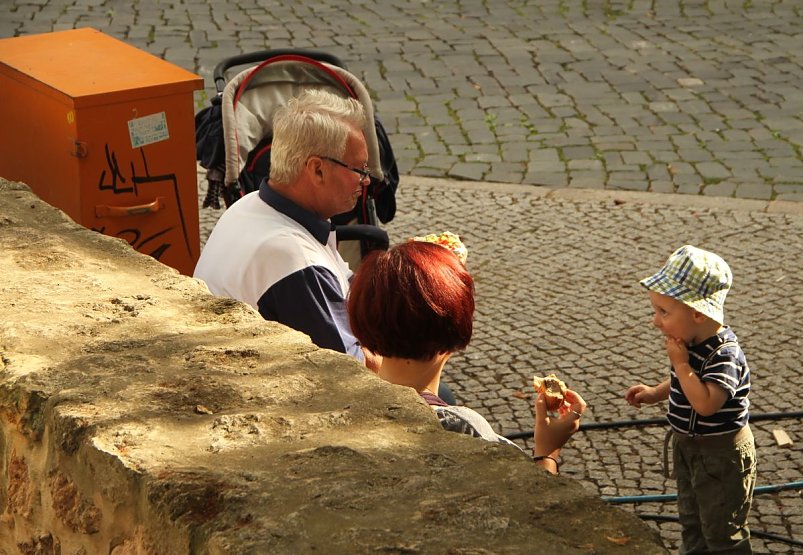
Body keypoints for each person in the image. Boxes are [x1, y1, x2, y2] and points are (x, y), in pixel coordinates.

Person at [347, 240, 586, 474]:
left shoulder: (346, 401)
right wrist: (547, 451)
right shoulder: (461, 429)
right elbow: (535, 496)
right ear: (456, 324)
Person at [194, 89, 381, 371]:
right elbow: (351, 371)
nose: (366, 181)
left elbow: (346, 288)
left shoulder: (249, 205)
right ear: (317, 170)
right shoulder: (294, 260)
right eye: (360, 169)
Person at [624, 245, 756, 554]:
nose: (655, 321)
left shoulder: (724, 354)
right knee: (692, 520)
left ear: (697, 313)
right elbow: (684, 382)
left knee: (722, 530)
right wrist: (655, 392)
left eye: (664, 312)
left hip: (720, 455)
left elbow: (706, 403)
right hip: (689, 448)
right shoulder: (691, 342)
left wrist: (681, 364)